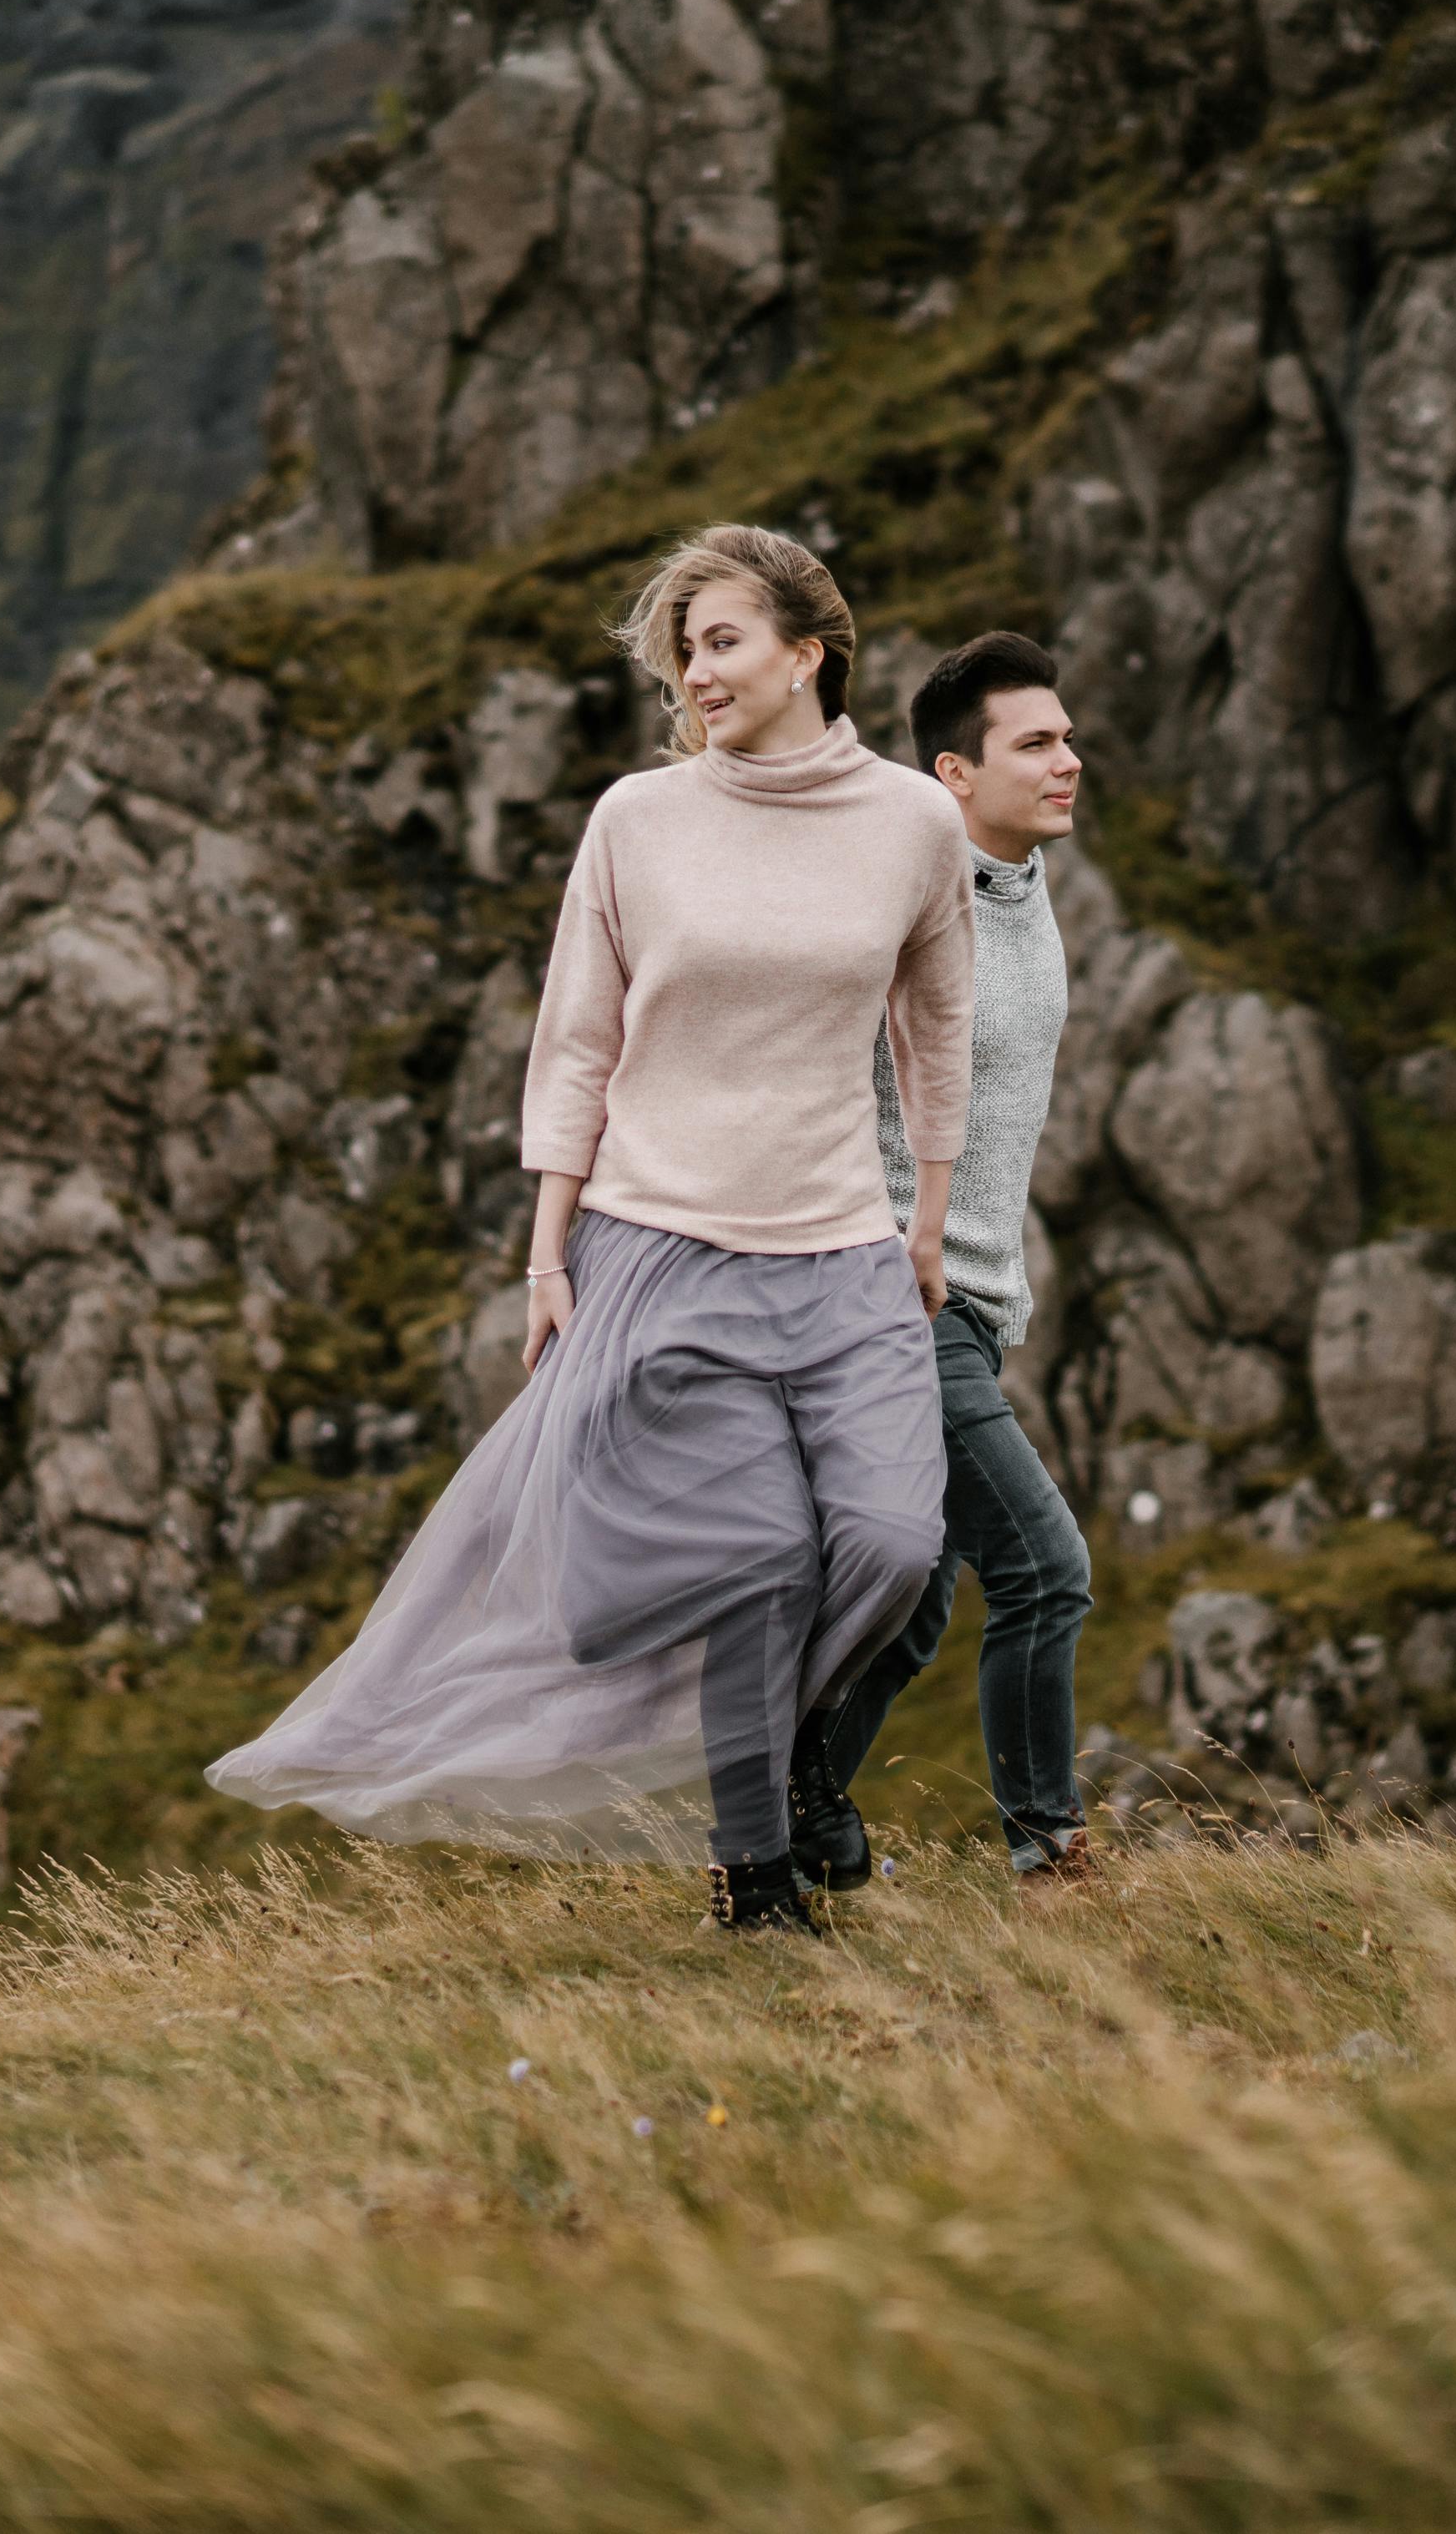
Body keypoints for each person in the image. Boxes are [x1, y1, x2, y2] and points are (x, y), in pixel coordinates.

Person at [208, 523, 976, 1935]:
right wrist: (548, 1256)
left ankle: (792, 1771)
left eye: (725, 640)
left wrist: (928, 1218)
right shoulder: (639, 819)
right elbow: (576, 1042)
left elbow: (935, 1027)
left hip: (849, 1253)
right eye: (685, 651)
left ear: (810, 653)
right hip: (664, 1249)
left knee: (888, 1545)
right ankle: (756, 1883)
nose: (697, 671)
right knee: (757, 1561)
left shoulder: (915, 826)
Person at [789, 633, 1097, 1886]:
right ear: (953, 775)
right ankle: (1050, 1849)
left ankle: (788, 1829)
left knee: (911, 1607)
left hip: (971, 1305)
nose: (1070, 760)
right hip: (892, 1295)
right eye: (1038, 743)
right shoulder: (903, 899)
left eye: (1068, 736)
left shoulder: (1025, 889)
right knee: (1042, 1568)